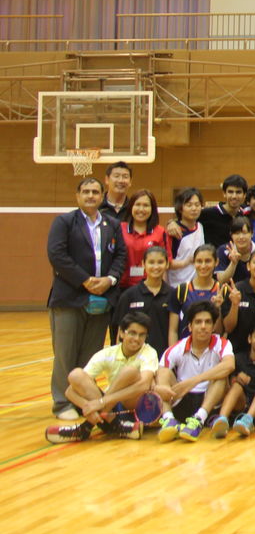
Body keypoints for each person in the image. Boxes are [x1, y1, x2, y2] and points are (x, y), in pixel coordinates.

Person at [47, 177, 128, 420]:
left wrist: (109, 280)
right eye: (86, 191)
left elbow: (121, 256)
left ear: (102, 196)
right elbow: (56, 254)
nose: (90, 196)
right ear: (78, 196)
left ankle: (82, 400)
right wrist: (85, 280)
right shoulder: (64, 222)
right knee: (65, 354)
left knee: (90, 355)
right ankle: (62, 403)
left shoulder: (112, 225)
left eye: (95, 192)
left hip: (102, 299)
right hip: (69, 299)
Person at [44, 311, 154, 443]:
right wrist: (88, 406)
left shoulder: (148, 352)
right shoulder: (107, 354)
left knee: (129, 372)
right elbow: (69, 391)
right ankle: (115, 424)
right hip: (110, 410)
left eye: (142, 335)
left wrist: (102, 403)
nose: (136, 338)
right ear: (121, 333)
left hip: (132, 409)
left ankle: (86, 427)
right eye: (132, 333)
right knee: (76, 374)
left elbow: (144, 386)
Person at [155, 301, 235, 443]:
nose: (203, 326)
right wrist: (161, 387)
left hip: (210, 401)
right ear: (190, 326)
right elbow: (161, 371)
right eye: (198, 322)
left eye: (208, 322)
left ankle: (198, 420)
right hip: (182, 400)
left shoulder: (222, 343)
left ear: (213, 326)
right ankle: (169, 420)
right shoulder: (178, 347)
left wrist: (194, 381)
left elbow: (229, 365)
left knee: (221, 375)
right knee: (163, 375)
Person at [210, 322, 255, 438]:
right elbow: (229, 383)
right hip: (242, 405)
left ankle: (248, 420)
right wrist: (235, 378)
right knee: (236, 385)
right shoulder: (238, 358)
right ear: (250, 338)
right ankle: (222, 420)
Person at [111, 246, 172, 347]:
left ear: (167, 264)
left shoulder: (173, 294)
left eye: (160, 262)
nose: (156, 267)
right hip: (135, 354)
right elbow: (120, 331)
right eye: (151, 262)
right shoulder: (128, 295)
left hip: (163, 354)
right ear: (143, 264)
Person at [167, 244, 221, 347]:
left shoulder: (222, 290)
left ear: (216, 262)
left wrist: (219, 307)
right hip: (185, 350)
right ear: (194, 262)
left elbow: (222, 331)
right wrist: (173, 352)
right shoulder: (181, 290)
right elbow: (173, 330)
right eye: (199, 261)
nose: (203, 266)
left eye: (208, 261)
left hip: (212, 350)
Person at [119, 189, 169, 290]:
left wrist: (163, 290)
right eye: (137, 204)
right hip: (122, 287)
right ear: (131, 207)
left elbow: (164, 262)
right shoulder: (120, 229)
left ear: (152, 209)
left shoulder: (160, 232)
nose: (141, 209)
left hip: (150, 287)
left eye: (146, 205)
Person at [167, 187, 205, 288]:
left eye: (197, 204)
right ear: (180, 208)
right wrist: (186, 262)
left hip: (195, 287)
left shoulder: (200, 226)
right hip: (176, 286)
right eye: (189, 205)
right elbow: (166, 262)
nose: (194, 208)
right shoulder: (173, 231)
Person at [214, 216, 255, 287]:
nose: (241, 237)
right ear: (231, 235)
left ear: (252, 233)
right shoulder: (223, 250)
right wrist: (233, 263)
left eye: (244, 233)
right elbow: (221, 281)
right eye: (237, 233)